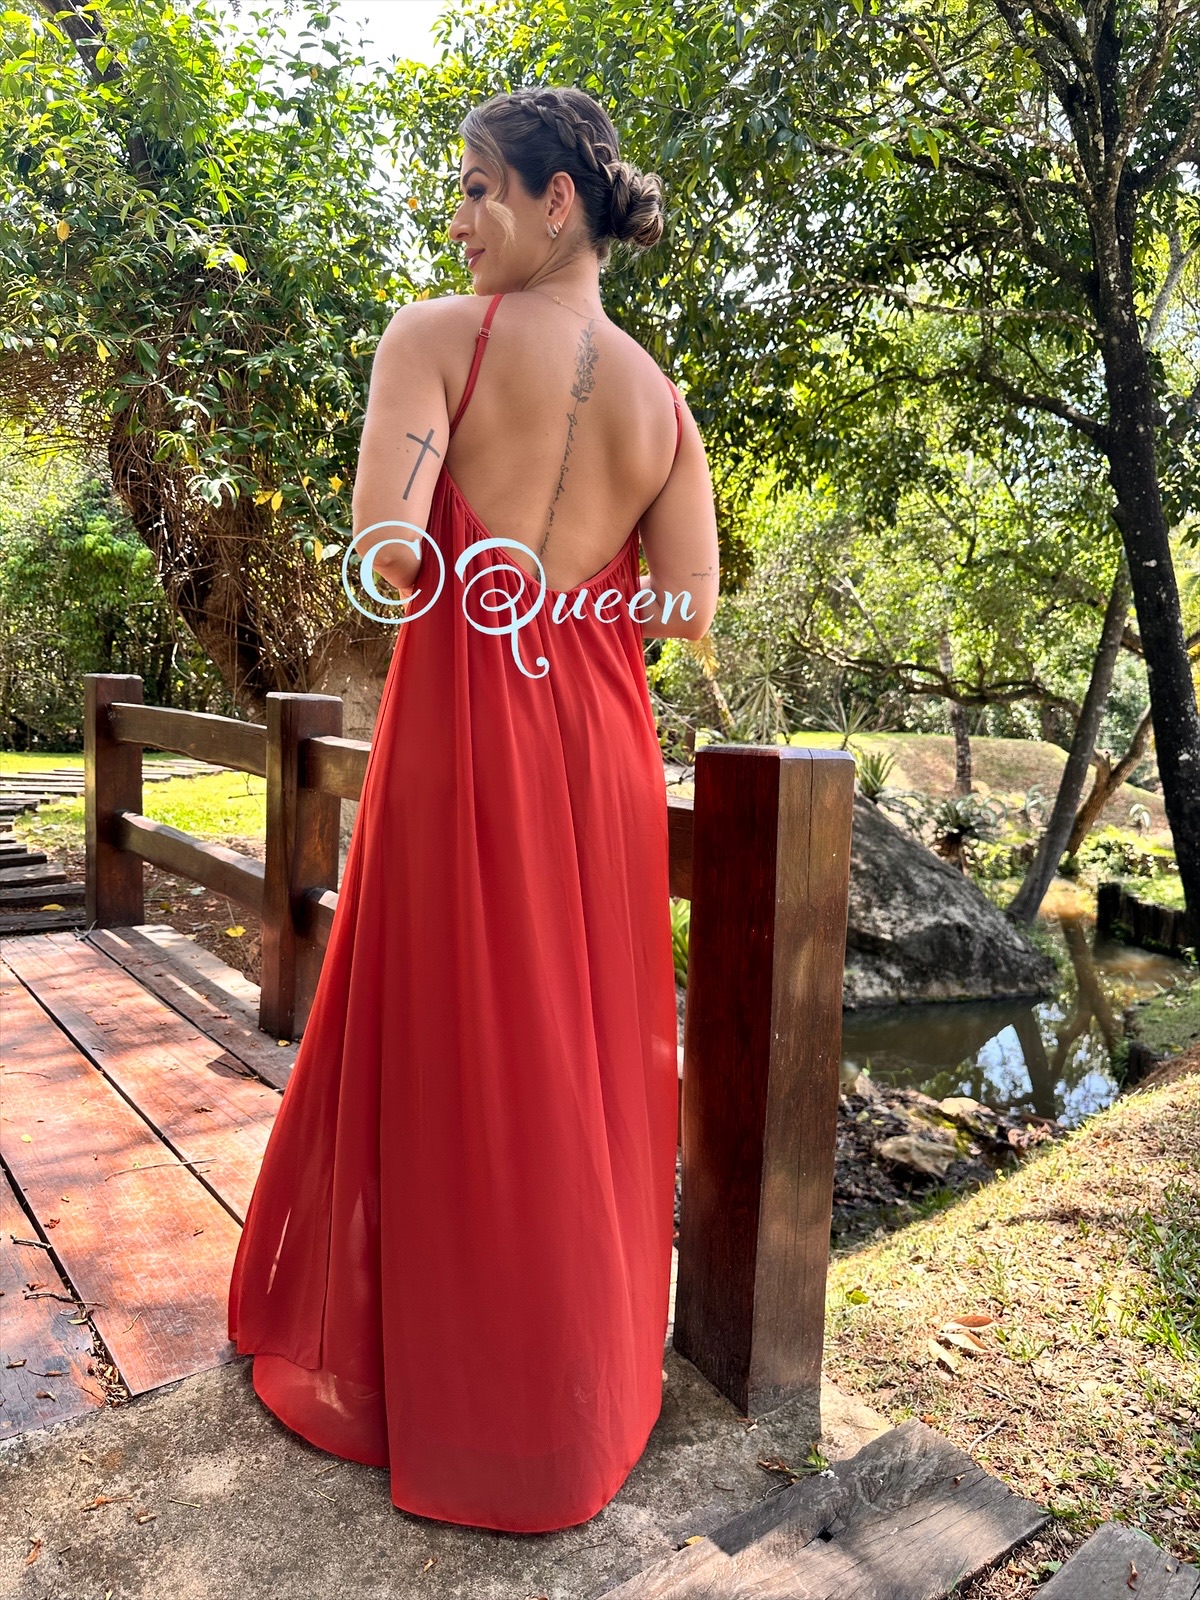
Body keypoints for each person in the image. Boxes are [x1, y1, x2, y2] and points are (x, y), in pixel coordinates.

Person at [227, 84, 720, 1535]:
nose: (456, 220)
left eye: (476, 187)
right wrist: (574, 605)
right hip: (601, 749)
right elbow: (687, 611)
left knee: (455, 1036)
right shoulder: (665, 404)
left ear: (556, 201)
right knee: (578, 1051)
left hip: (470, 725)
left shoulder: (438, 337)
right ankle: (571, 1398)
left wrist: (466, 568)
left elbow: (385, 552)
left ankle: (432, 1382)